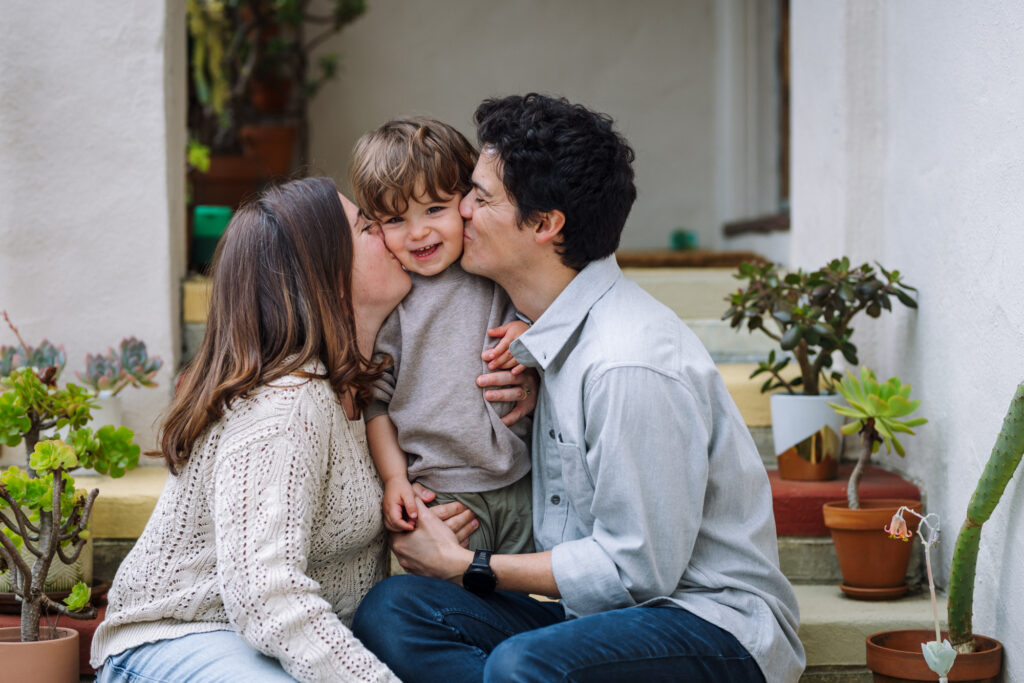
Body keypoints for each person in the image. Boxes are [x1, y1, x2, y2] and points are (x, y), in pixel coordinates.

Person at [352, 95, 806, 682]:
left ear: (544, 224)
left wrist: (469, 565)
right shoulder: (536, 335)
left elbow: (637, 571)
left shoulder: (628, 364)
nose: (460, 209)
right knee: (394, 611)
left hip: (707, 623)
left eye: (481, 197)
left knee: (524, 664)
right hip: (593, 620)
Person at [89, 177, 479, 682]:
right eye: (367, 226)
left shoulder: (367, 389)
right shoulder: (287, 404)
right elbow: (265, 594)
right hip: (179, 640)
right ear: (327, 273)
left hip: (269, 647)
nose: (390, 234)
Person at [350, 117, 536, 554]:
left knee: (530, 607)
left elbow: (550, 318)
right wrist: (396, 479)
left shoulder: (493, 268)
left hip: (524, 481)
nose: (418, 232)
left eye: (435, 209)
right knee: (449, 601)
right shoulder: (393, 296)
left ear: (467, 201)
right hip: (440, 494)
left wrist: (527, 334)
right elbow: (377, 404)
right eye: (396, 219)